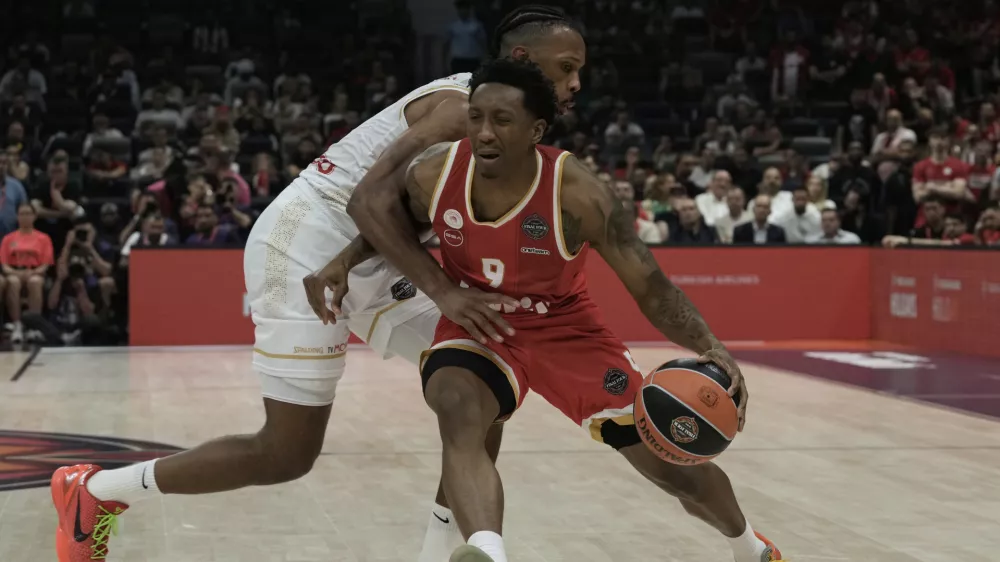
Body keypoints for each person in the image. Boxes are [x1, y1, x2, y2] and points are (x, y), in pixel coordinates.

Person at [50, 6, 589, 562]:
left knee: (484, 381)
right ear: (522, 58)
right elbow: (370, 204)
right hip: (305, 238)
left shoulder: (510, 129)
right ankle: (94, 490)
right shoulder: (459, 111)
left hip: (375, 254)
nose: (576, 83)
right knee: (287, 452)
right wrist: (447, 292)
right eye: (567, 67)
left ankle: (442, 554)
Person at [345, 57, 782, 562]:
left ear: (536, 130)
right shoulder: (435, 172)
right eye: (476, 117)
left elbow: (652, 288)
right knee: (456, 405)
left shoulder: (578, 194)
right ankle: (488, 551)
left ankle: (750, 548)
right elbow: (385, 219)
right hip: (481, 321)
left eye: (501, 120)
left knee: (667, 465)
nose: (483, 132)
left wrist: (710, 345)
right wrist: (351, 265)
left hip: (566, 328)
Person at [0, 203, 53, 342]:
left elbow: (45, 264)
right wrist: (16, 273)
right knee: (13, 282)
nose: (25, 217)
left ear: (34, 216)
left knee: (34, 282)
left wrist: (33, 272)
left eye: (28, 214)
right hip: (14, 271)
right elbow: (4, 266)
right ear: (17, 217)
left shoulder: (43, 238)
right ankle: (17, 324)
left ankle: (34, 326)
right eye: (22, 214)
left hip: (35, 272)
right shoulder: (8, 239)